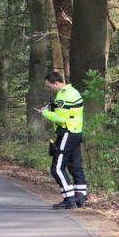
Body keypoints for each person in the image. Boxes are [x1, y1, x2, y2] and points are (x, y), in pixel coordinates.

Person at [39, 71, 87, 210]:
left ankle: (69, 199)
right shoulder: (73, 91)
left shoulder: (63, 95)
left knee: (57, 168)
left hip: (67, 132)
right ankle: (80, 197)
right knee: (75, 166)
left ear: (55, 83)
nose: (50, 89)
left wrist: (45, 112)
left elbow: (60, 118)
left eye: (49, 86)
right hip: (76, 132)